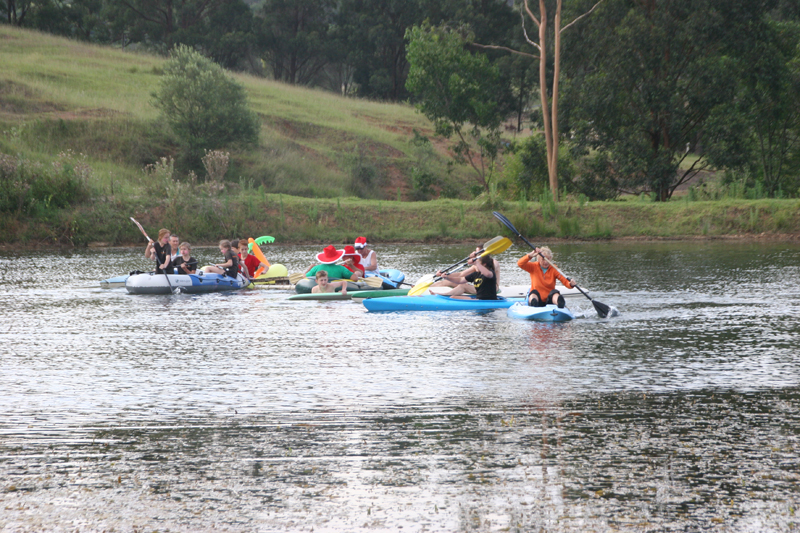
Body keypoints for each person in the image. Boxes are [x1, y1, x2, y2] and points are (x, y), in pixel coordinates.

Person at [431, 246, 501, 294]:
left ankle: (442, 296)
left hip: (490, 290)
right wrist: (444, 274)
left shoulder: (494, 262)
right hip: (479, 287)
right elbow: (461, 274)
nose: (475, 253)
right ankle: (428, 289)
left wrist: (474, 261)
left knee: (463, 286)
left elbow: (486, 272)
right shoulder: (477, 264)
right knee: (447, 281)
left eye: (477, 252)